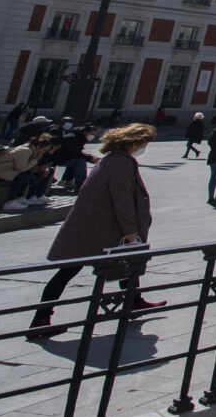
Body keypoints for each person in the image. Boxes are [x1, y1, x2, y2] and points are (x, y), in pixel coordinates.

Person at [28, 123, 166, 340]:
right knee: (72, 270)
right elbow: (121, 199)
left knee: (126, 261)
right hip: (99, 228)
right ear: (135, 142)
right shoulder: (121, 164)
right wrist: (130, 231)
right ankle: (40, 320)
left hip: (91, 227)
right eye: (145, 143)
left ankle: (133, 300)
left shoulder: (111, 160)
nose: (145, 147)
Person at [0, 131, 57, 212]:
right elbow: (21, 168)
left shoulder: (32, 150)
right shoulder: (25, 150)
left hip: (8, 171)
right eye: (44, 150)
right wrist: (36, 159)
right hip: (1, 171)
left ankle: (24, 197)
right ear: (39, 147)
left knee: (33, 174)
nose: (43, 152)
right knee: (24, 175)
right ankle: (10, 201)